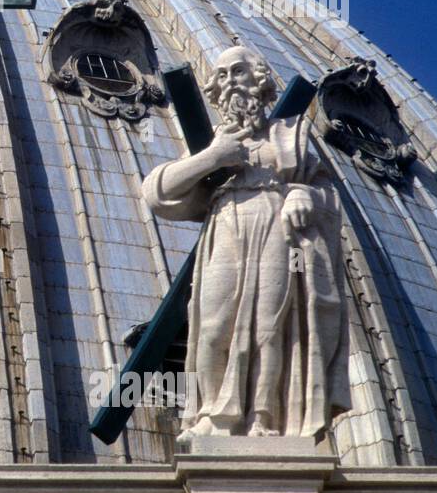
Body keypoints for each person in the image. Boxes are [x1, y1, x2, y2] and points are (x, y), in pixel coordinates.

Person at [142, 46, 349, 441]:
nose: (229, 82)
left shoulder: (292, 136)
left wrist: (303, 195)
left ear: (259, 80)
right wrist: (212, 159)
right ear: (214, 92)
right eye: (220, 76)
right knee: (213, 325)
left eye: (238, 72)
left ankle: (263, 418)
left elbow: (329, 196)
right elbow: (158, 194)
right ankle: (211, 416)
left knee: (270, 327)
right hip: (226, 227)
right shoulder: (211, 142)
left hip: (277, 229)